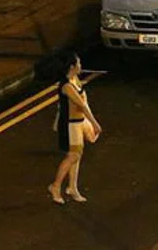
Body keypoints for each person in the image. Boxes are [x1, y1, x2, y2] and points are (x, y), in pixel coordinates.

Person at [48, 53, 101, 205]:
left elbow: (85, 101)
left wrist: (88, 124)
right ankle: (55, 186)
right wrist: (95, 123)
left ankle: (72, 187)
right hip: (70, 124)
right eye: (79, 63)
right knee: (73, 156)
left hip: (79, 122)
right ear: (72, 66)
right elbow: (81, 105)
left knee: (77, 155)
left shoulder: (74, 80)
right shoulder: (67, 86)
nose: (81, 65)